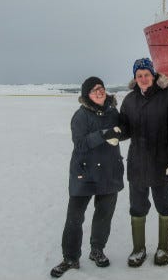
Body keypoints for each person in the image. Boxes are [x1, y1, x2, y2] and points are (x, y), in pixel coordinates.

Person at [50, 77, 125, 278]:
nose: (98, 92)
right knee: (74, 218)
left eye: (100, 88)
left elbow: (122, 132)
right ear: (87, 96)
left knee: (103, 216)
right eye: (93, 90)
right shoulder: (80, 116)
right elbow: (80, 144)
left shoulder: (113, 112)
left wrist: (123, 131)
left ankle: (97, 250)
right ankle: (70, 257)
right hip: (84, 174)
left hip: (109, 172)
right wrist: (103, 134)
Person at [119, 58, 168, 267]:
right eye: (139, 75)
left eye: (146, 74)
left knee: (164, 205)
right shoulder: (129, 100)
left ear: (153, 75)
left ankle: (163, 248)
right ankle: (138, 249)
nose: (143, 78)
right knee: (137, 208)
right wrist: (113, 131)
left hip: (162, 165)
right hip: (137, 165)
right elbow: (124, 129)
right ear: (135, 78)